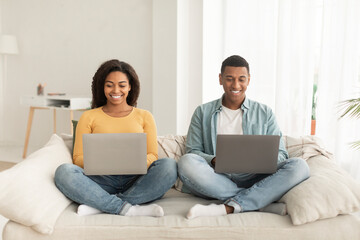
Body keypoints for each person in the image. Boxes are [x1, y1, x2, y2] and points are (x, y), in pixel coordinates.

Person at [178, 55, 310, 219]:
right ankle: (260, 202)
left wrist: (259, 161)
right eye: (229, 79)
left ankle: (231, 206)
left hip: (255, 177)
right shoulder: (202, 112)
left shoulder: (265, 113)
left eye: (241, 79)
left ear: (249, 80)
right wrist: (213, 160)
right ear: (220, 79)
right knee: (186, 162)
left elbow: (282, 154)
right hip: (217, 178)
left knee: (300, 166)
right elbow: (193, 151)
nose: (235, 85)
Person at [55, 59, 177, 217]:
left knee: (169, 166)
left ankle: (101, 205)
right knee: (63, 172)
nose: (116, 90)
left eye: (122, 85)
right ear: (103, 87)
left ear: (130, 87)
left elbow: (153, 155)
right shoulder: (88, 116)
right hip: (100, 180)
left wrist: (133, 163)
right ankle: (128, 208)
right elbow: (78, 158)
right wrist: (103, 163)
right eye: (109, 84)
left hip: (136, 180)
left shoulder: (145, 116)